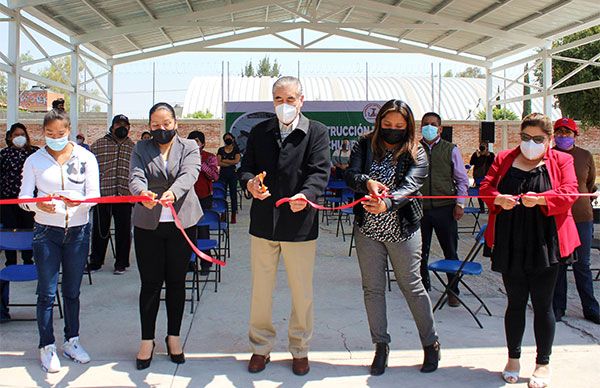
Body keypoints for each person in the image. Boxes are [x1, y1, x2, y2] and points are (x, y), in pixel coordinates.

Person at [239, 76, 330, 376]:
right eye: (279, 99)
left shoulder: (316, 132)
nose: (284, 105)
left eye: (290, 99)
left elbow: (320, 171)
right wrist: (250, 184)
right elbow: (246, 168)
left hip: (300, 223)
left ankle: (300, 348)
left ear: (301, 100)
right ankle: (260, 347)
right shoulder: (259, 131)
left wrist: (307, 194)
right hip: (264, 223)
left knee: (301, 291)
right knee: (260, 291)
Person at [480, 113, 580, 388]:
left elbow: (570, 192)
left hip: (546, 242)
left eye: (538, 139)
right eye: (525, 138)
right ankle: (513, 359)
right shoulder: (504, 158)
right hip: (510, 241)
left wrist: (543, 200)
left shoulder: (563, 160)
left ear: (548, 140)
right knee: (514, 303)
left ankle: (542, 363)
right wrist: (496, 198)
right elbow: (485, 187)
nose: (530, 144)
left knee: (542, 305)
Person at [345, 99, 440, 376]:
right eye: (387, 125)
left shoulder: (416, 151)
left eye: (399, 126)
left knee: (412, 286)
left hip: (403, 229)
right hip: (368, 230)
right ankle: (381, 346)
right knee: (372, 289)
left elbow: (412, 184)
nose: (392, 130)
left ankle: (430, 342)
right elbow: (351, 174)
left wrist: (388, 203)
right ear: (379, 123)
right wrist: (366, 182)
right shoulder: (364, 144)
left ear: (408, 126)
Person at [18, 109, 100, 373]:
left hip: (77, 231)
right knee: (46, 291)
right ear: (43, 133)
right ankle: (47, 345)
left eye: (60, 133)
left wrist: (82, 204)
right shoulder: (34, 160)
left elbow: (95, 195)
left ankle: (72, 341)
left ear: (69, 130)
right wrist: (38, 205)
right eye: (50, 134)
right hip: (46, 232)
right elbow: (23, 198)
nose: (55, 138)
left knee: (72, 291)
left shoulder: (86, 158)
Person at [129, 102, 201, 370]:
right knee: (149, 284)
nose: (161, 129)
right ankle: (147, 340)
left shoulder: (190, 147)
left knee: (176, 282)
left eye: (166, 124)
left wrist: (174, 192)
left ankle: (174, 337)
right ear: (149, 126)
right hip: (149, 223)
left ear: (175, 123)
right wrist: (141, 193)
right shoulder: (141, 148)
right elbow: (135, 176)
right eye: (155, 125)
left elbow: (190, 174)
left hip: (181, 222)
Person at [552, 117, 599, 325]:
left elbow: (589, 184)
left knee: (583, 264)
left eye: (567, 133)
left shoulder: (585, 156)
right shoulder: (548, 156)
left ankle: (590, 307)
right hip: (557, 216)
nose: (563, 136)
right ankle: (557, 307)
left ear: (575, 135)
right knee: (559, 264)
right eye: (559, 132)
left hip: (581, 217)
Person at [418, 112, 469, 307]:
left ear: (440, 129)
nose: (429, 127)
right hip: (420, 209)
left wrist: (460, 203)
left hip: (445, 209)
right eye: (425, 124)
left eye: (433, 124)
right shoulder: (414, 150)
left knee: (450, 251)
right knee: (420, 252)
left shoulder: (451, 149)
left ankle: (453, 291)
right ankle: (422, 289)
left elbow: (462, 179)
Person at [0, 123, 39, 322]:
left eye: (22, 134)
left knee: (28, 229)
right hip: (7, 201)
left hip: (28, 202)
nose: (19, 138)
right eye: (16, 135)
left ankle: (28, 259)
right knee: (10, 231)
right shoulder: (3, 155)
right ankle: (11, 261)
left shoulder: (34, 154)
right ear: (9, 137)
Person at [88, 114, 135, 274]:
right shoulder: (98, 145)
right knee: (100, 231)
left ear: (129, 128)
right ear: (112, 126)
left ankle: (121, 263)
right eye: (118, 124)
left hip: (124, 195)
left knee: (124, 231)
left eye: (125, 125)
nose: (122, 127)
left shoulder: (133, 148)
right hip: (104, 195)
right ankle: (96, 261)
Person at [188, 130, 219, 276]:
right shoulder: (183, 157)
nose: (194, 144)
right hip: (187, 199)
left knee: (203, 232)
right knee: (188, 232)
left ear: (202, 143)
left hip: (203, 198)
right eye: (191, 141)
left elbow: (215, 176)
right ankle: (190, 262)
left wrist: (200, 164)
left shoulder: (210, 157)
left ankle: (205, 263)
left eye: (197, 142)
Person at [217, 132, 241, 224]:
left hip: (232, 174)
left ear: (233, 139)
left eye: (229, 138)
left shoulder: (236, 150)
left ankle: (233, 215)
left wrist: (225, 160)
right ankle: (223, 213)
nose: (228, 139)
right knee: (222, 195)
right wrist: (230, 162)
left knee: (233, 194)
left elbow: (236, 161)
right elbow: (218, 162)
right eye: (226, 138)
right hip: (222, 174)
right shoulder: (221, 150)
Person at [469, 142, 495, 212]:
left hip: (487, 177)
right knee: (479, 192)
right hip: (478, 176)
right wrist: (476, 157)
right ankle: (482, 208)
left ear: (487, 148)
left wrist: (488, 155)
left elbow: (493, 163)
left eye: (484, 147)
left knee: (488, 193)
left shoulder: (491, 155)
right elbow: (471, 163)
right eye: (481, 146)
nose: (482, 148)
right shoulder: (476, 154)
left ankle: (490, 208)